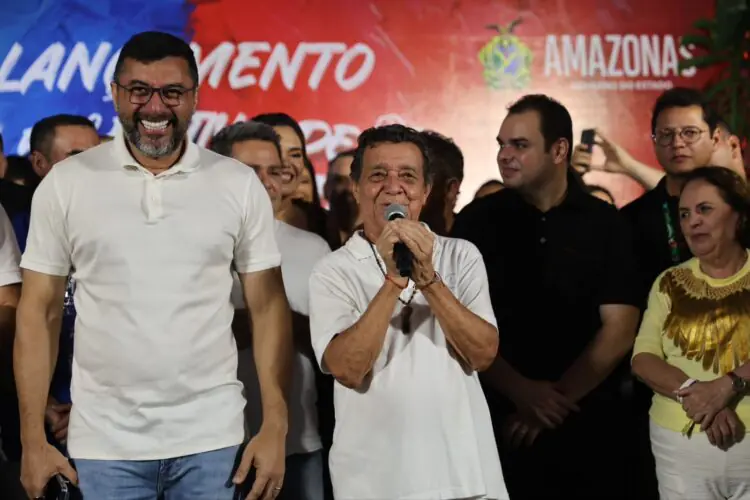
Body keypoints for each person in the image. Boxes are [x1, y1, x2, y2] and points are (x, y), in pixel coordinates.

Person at [13, 31, 293, 499]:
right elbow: (38, 313)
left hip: (213, 441)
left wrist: (276, 427)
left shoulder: (237, 183)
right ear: (115, 93)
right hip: (103, 446)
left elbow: (268, 308)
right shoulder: (67, 183)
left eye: (172, 92)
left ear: (195, 97)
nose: (155, 107)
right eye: (139, 90)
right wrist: (31, 441)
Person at [451, 94, 640, 499]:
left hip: (590, 426)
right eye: (501, 144)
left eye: (519, 145)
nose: (504, 155)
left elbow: (621, 327)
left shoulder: (607, 224)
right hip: (497, 424)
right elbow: (456, 322)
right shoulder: (475, 221)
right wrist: (520, 391)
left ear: (559, 150)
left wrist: (551, 403)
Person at [308, 124, 509, 500]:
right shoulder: (332, 271)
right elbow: (348, 369)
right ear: (356, 188)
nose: (393, 187)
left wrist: (429, 279)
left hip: (463, 477)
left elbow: (483, 354)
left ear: (425, 191)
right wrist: (392, 282)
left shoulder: (461, 255)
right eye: (378, 175)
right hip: (375, 483)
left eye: (407, 176)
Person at [210, 120, 331, 500]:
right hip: (208, 447)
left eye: (274, 171)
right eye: (250, 171)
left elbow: (335, 348)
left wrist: (277, 322)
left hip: (296, 443)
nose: (265, 182)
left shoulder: (314, 248)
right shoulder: (192, 245)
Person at [632, 166, 750, 499]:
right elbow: (643, 358)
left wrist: (727, 386)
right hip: (679, 445)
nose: (692, 221)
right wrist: (695, 392)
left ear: (738, 216)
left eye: (704, 209)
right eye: (684, 214)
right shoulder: (668, 283)